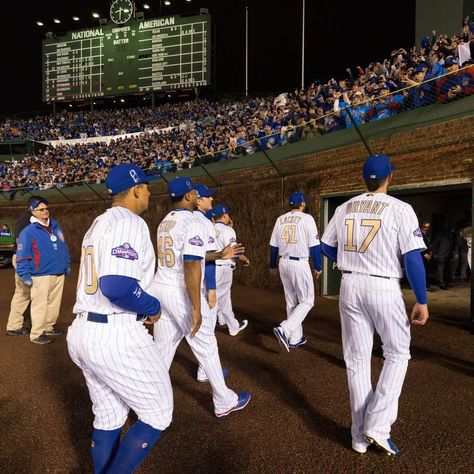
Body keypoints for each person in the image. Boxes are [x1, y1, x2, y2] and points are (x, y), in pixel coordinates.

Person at [67, 163, 173, 473]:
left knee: (110, 416)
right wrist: (153, 307)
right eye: (147, 186)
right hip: (114, 333)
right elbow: (116, 285)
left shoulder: (98, 223)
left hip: (84, 330)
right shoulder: (130, 222)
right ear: (136, 188)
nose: (149, 191)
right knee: (158, 412)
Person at [321, 154, 429, 456]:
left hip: (349, 284)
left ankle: (358, 436)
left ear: (362, 178)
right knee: (397, 353)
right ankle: (377, 425)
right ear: (389, 177)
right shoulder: (401, 208)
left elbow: (325, 247)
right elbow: (411, 258)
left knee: (356, 360)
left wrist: (347, 260)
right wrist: (422, 299)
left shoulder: (344, 207)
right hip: (382, 284)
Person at [152, 177, 250, 417]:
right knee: (206, 342)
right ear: (187, 196)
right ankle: (224, 400)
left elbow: (193, 254)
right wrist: (196, 306)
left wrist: (218, 254)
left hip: (161, 286)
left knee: (163, 349)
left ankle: (149, 402)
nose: (198, 195)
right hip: (180, 290)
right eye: (194, 192)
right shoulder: (193, 221)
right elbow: (191, 264)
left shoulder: (166, 220)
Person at [269, 192, 322, 351]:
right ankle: (285, 328)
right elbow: (314, 246)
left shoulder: (280, 219)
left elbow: (273, 245)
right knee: (307, 301)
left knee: (292, 301)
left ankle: (295, 338)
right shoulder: (307, 219)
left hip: (283, 262)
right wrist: (318, 266)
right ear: (303, 204)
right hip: (299, 263)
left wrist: (272, 264)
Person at [15, 198, 71, 344]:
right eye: (41, 209)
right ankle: (36, 334)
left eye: (46, 208)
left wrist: (67, 264)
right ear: (33, 212)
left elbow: (64, 247)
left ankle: (48, 327)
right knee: (39, 305)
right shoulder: (28, 232)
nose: (45, 211)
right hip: (40, 274)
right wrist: (25, 274)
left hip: (58, 272)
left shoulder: (56, 226)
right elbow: (22, 255)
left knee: (54, 304)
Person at [5, 195, 45, 337]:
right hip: (24, 260)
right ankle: (14, 326)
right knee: (22, 293)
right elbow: (21, 244)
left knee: (32, 293)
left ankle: (37, 324)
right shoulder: (24, 220)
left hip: (32, 260)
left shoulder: (36, 219)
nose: (44, 209)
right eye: (41, 206)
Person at [212, 203, 250, 335]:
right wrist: (245, 259)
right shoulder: (228, 230)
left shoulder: (209, 227)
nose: (229, 216)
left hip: (211, 267)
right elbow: (235, 251)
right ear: (223, 216)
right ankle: (211, 327)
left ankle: (229, 324)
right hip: (224, 268)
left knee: (222, 298)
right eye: (227, 214)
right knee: (217, 299)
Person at [420, 221, 434, 291]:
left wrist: (430, 253)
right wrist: (424, 254)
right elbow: (419, 245)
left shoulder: (427, 235)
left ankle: (426, 284)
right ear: (422, 226)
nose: (426, 228)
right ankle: (423, 286)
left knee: (426, 270)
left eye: (428, 227)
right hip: (422, 255)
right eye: (425, 227)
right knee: (422, 270)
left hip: (427, 255)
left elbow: (429, 245)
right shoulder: (420, 234)